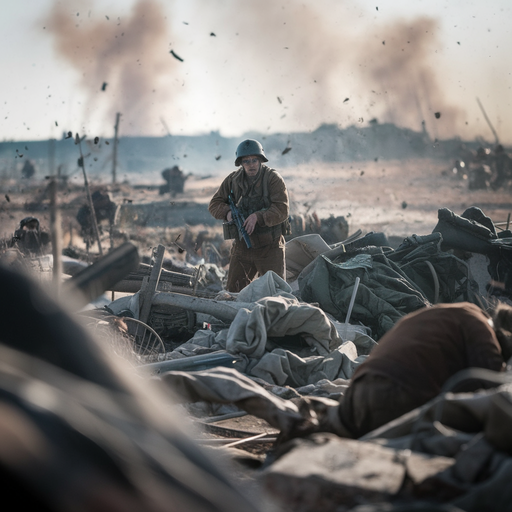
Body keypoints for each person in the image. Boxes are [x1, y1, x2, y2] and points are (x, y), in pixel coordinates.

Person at [338, 302, 512, 438]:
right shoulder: (483, 332)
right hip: (393, 397)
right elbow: (494, 392)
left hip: (355, 393)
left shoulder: (459, 311)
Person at [208, 139, 290, 292]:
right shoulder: (233, 180)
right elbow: (214, 204)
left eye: (254, 160)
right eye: (246, 161)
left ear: (260, 160)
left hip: (269, 247)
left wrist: (258, 217)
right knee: (233, 293)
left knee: (277, 295)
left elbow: (282, 209)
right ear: (241, 163)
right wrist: (228, 212)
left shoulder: (273, 179)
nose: (251, 164)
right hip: (242, 247)